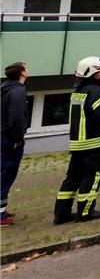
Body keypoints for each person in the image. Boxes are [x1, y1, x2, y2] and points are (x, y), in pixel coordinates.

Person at [53, 57, 100, 224]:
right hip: (94, 144)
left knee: (71, 179)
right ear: (92, 73)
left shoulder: (78, 92)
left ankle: (61, 213)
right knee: (92, 178)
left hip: (77, 145)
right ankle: (86, 212)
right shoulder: (97, 93)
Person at [1, 62, 29, 227]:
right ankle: (0, 215)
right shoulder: (18, 91)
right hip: (10, 139)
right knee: (7, 172)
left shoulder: (5, 89)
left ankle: (2, 209)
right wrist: (17, 138)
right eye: (26, 68)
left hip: (4, 135)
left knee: (4, 171)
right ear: (22, 72)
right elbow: (16, 116)